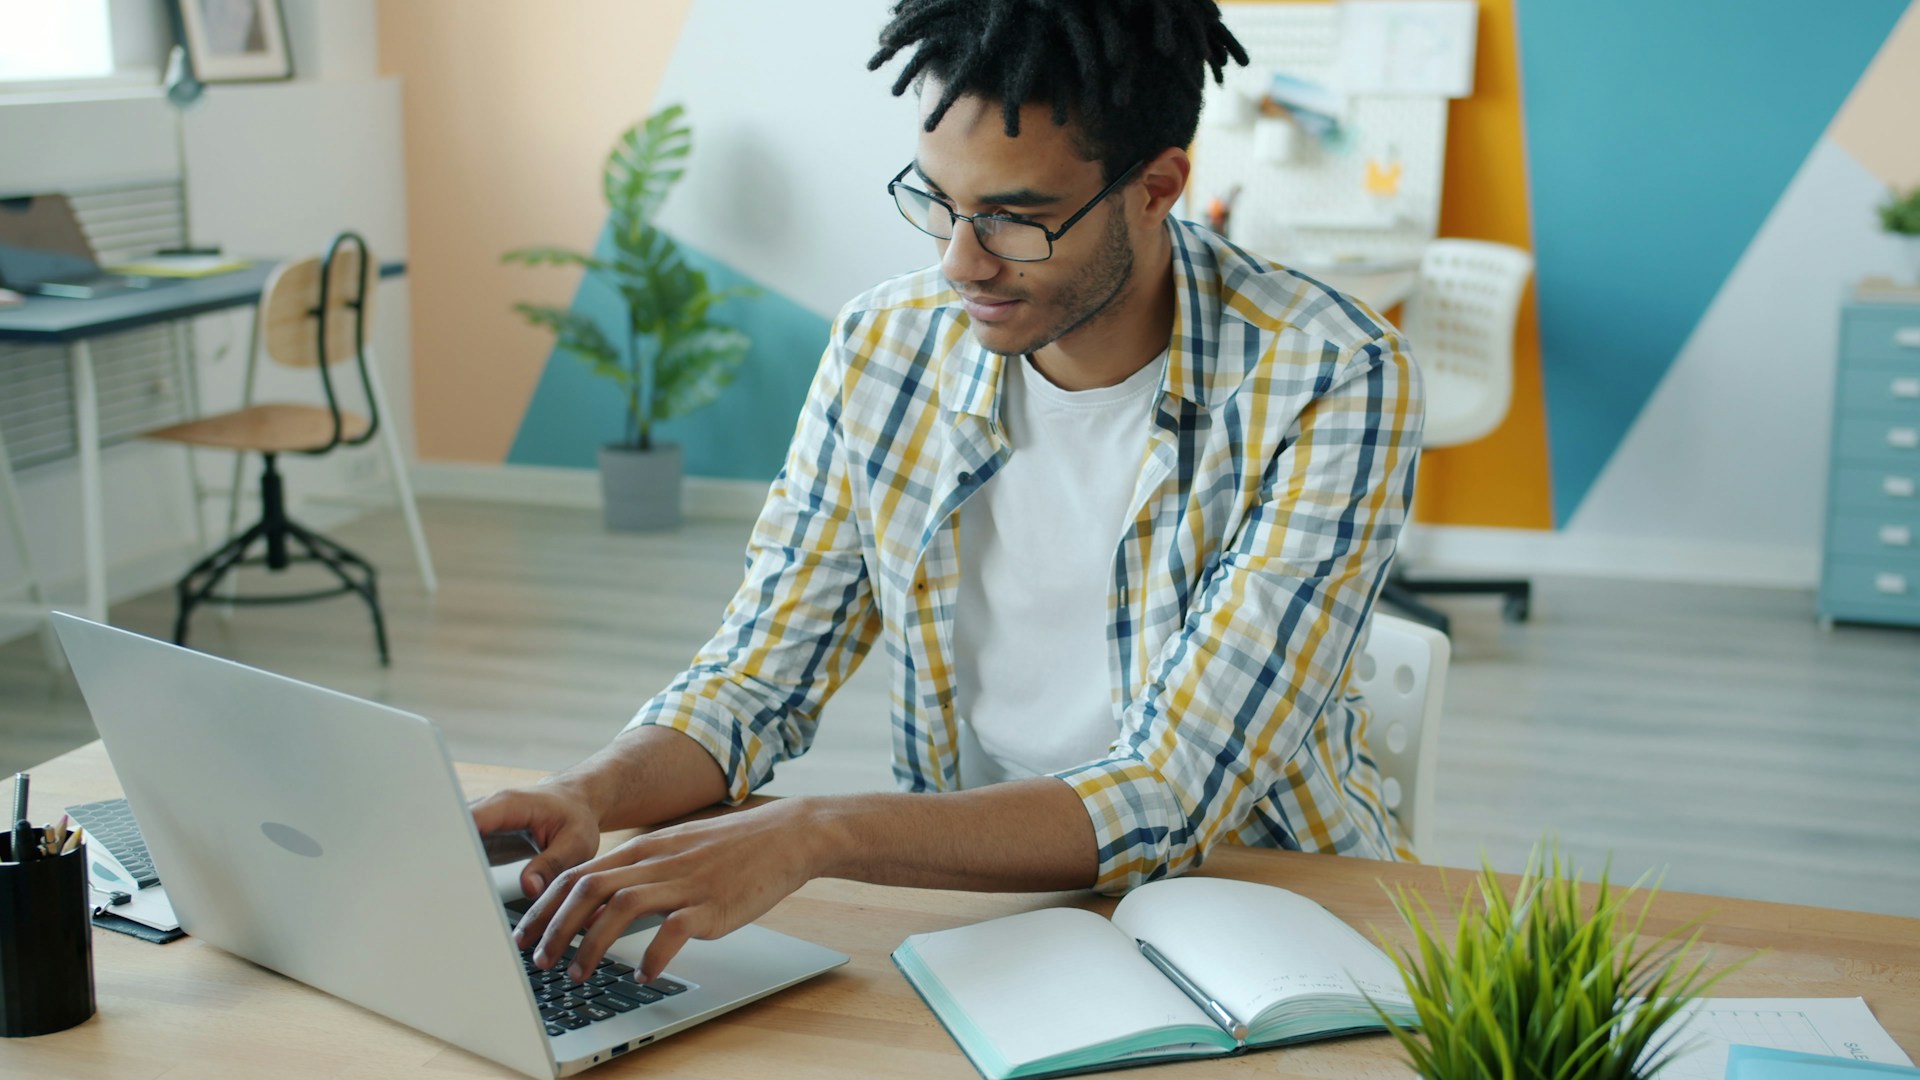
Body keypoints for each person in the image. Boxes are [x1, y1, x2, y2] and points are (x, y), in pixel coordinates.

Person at [478, 0, 1424, 988]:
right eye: (937, 201)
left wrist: (809, 833)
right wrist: (588, 791)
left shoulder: (1328, 373)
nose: (960, 262)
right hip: (981, 900)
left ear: (1159, 186)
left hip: (1261, 912)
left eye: (1015, 219)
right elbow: (757, 680)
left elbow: (1169, 790)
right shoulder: (886, 347)